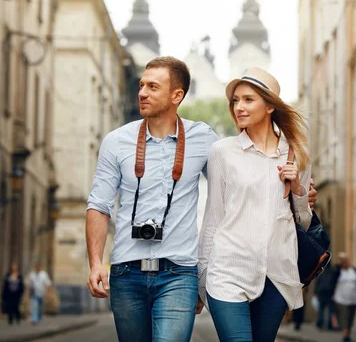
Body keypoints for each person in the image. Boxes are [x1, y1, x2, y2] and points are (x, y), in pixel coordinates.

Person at [86, 56, 320, 342]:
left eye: (152, 87)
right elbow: (99, 204)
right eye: (141, 85)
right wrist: (96, 262)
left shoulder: (205, 140)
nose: (142, 93)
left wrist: (298, 192)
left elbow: (253, 192)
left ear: (177, 95)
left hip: (179, 272)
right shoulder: (117, 141)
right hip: (127, 269)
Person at [198, 67, 312, 342]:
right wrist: (202, 277)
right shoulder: (223, 152)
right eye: (236, 101)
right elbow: (213, 219)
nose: (239, 107)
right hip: (228, 270)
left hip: (276, 275)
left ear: (270, 105)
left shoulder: (296, 153)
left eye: (248, 100)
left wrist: (297, 188)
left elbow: (304, 222)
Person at [329, 252, 356, 342]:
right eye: (341, 260)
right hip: (341, 299)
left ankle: (347, 335)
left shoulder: (354, 270)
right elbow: (332, 281)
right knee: (344, 317)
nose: (344, 262)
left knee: (351, 318)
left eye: (345, 260)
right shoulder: (337, 270)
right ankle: (345, 336)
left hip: (353, 299)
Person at [314, 263, 336, 331]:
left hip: (321, 292)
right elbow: (334, 283)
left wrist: (315, 292)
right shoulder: (332, 272)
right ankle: (329, 324)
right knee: (329, 309)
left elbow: (318, 282)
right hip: (329, 292)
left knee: (321, 309)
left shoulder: (321, 271)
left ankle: (320, 323)